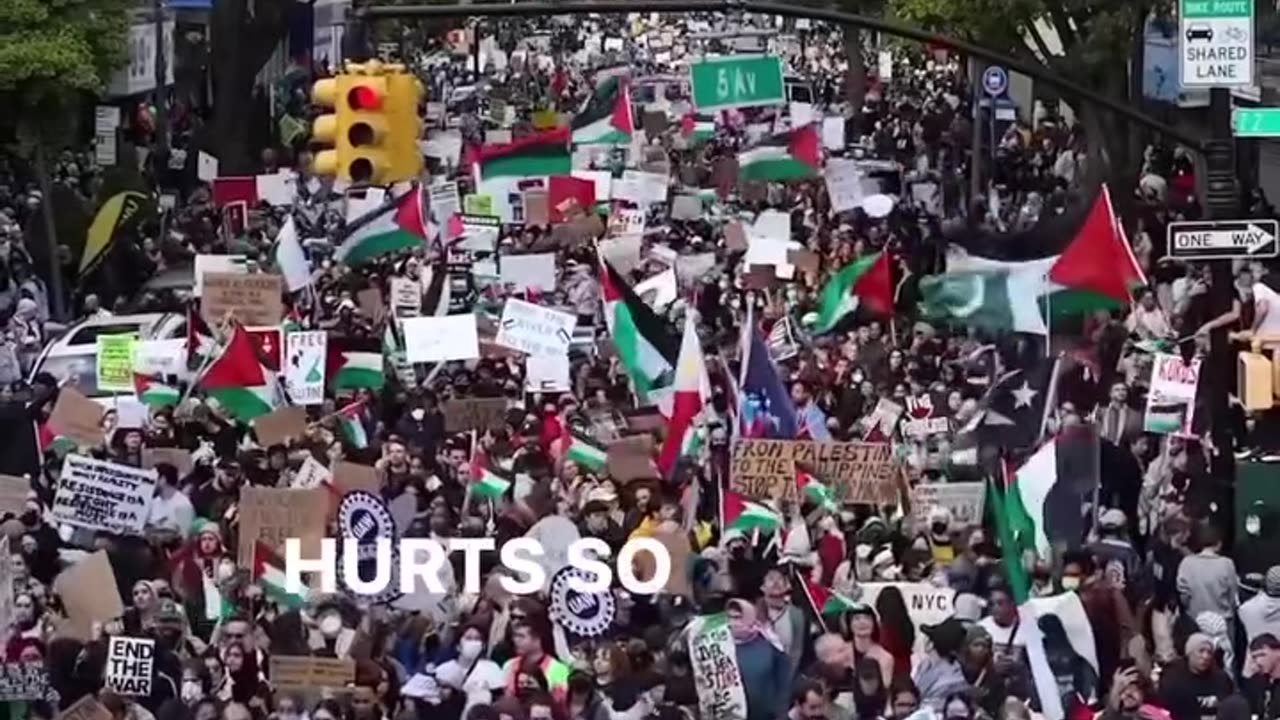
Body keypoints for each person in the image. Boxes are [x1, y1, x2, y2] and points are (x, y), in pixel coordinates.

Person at [1158, 634, 1235, 720]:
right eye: (1201, 651)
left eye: (1209, 652)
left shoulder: (1221, 679)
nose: (1205, 656)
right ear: (1189, 653)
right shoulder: (1173, 680)